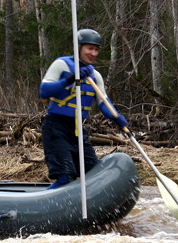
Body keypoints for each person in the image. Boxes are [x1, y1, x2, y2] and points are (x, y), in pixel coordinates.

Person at [39, 28, 129, 189]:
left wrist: (117, 118)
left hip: (78, 131)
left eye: (96, 49)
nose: (93, 53)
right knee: (65, 176)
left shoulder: (95, 76)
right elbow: (44, 91)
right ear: (79, 47)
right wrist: (72, 78)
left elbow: (104, 104)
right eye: (89, 48)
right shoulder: (61, 64)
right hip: (55, 128)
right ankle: (38, 207)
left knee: (94, 176)